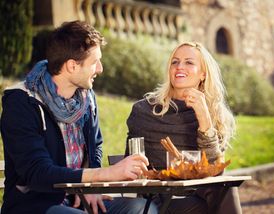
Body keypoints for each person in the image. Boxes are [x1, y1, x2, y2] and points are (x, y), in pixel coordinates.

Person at [0, 21, 157, 214]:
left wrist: (92, 187)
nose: (100, 69)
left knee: (142, 208)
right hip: (35, 205)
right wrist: (104, 174)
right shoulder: (23, 102)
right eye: (94, 62)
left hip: (80, 199)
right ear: (72, 66)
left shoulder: (86, 98)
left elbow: (95, 145)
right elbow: (37, 173)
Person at [126, 42, 242, 213]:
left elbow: (214, 170)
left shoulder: (214, 113)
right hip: (160, 196)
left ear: (203, 74)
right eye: (175, 62)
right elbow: (133, 164)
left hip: (200, 194)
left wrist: (204, 118)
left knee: (223, 188)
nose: (179, 67)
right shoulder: (144, 111)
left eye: (189, 62)